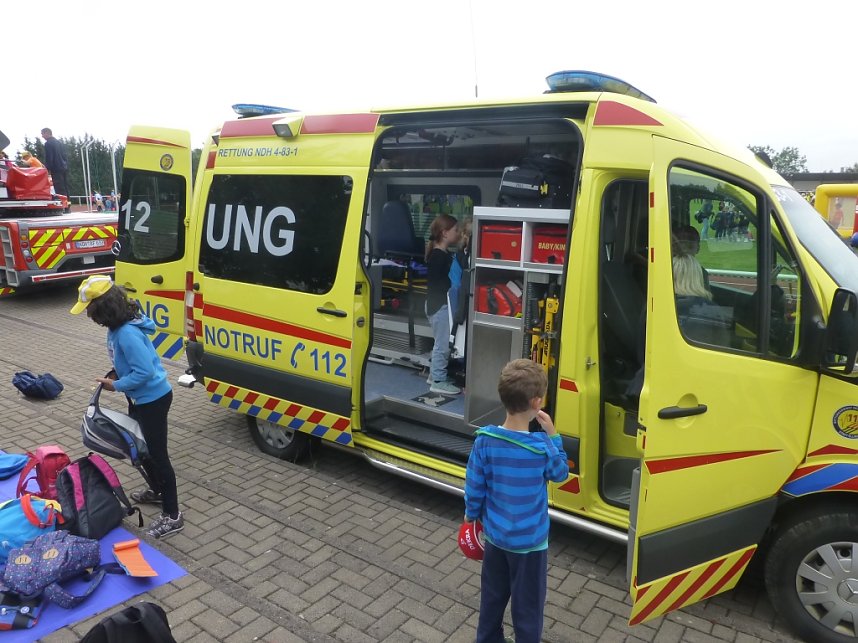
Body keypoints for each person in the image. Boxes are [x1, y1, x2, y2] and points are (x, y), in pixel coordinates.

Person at [70, 275, 184, 539]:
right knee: (143, 451)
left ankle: (173, 515)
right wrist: (115, 374)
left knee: (158, 456)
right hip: (140, 398)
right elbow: (131, 365)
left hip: (152, 400)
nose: (88, 314)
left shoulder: (126, 334)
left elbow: (144, 372)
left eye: (89, 308)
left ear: (103, 307)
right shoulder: (117, 329)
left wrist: (116, 385)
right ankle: (157, 491)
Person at [464, 359, 569, 643]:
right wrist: (554, 436)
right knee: (528, 609)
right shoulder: (541, 448)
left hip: (496, 540)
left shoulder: (484, 441)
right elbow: (561, 472)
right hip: (531, 546)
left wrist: (471, 517)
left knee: (492, 601)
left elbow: (475, 486)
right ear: (537, 402)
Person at [425, 213, 461, 395]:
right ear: (445, 233)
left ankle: (434, 374)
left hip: (436, 304)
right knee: (442, 345)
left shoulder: (441, 253)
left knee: (439, 343)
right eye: (456, 230)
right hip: (440, 306)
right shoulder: (439, 257)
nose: (459, 233)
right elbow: (441, 283)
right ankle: (438, 380)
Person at [41, 127, 68, 197]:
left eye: (42, 134)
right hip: (63, 168)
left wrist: (47, 169)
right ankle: (68, 204)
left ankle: (62, 205)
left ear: (47, 133)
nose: (42, 136)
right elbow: (64, 156)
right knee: (65, 187)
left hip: (56, 169)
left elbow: (49, 158)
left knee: (59, 188)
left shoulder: (48, 143)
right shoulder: (59, 142)